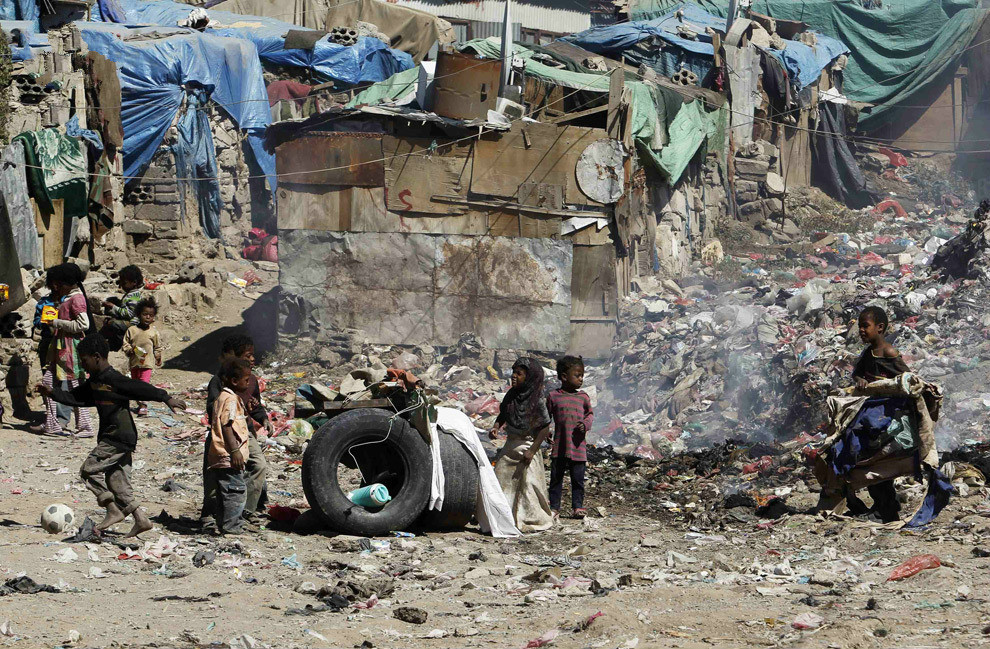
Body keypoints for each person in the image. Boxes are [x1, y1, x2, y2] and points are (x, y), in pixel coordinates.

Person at [36, 334, 186, 537]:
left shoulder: (112, 379)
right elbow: (75, 398)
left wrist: (165, 397)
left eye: (85, 360)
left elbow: (139, 388)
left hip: (117, 436)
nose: (83, 365)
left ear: (97, 356)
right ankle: (141, 520)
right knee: (117, 481)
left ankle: (112, 510)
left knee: (88, 470)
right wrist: (52, 393)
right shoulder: (95, 382)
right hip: (117, 436)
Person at [201, 335, 270, 531]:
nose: (253, 359)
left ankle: (245, 511)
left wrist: (263, 418)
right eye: (249, 355)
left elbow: (256, 406)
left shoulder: (251, 380)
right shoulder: (220, 383)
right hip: (224, 433)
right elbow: (217, 413)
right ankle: (211, 514)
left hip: (245, 431)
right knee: (215, 474)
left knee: (258, 466)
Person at [490, 357, 554, 532]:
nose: (514, 376)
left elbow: (544, 427)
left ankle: (531, 519)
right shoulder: (512, 395)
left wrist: (532, 451)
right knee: (501, 480)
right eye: (514, 372)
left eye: (519, 374)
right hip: (511, 445)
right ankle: (502, 517)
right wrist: (496, 427)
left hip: (527, 446)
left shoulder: (536, 399)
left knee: (529, 486)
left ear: (530, 377)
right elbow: (503, 413)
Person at [30, 263, 94, 438]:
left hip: (70, 349)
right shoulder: (68, 298)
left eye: (57, 285)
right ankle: (53, 424)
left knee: (74, 385)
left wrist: (56, 323)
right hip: (60, 349)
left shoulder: (77, 299)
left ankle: (85, 427)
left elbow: (83, 325)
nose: (55, 289)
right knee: (49, 383)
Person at [207, 357, 252, 535]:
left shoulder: (223, 397)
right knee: (236, 492)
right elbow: (227, 426)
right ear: (234, 381)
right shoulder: (230, 399)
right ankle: (232, 527)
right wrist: (235, 451)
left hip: (220, 454)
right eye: (246, 380)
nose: (249, 384)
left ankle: (223, 524)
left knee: (224, 492)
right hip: (228, 455)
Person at [546, 355, 594, 520]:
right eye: (577, 375)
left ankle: (578, 506)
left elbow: (590, 415)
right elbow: (546, 417)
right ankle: (554, 507)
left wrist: (585, 425)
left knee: (578, 480)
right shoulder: (553, 397)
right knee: (556, 479)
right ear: (564, 377)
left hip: (578, 447)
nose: (581, 379)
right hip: (560, 445)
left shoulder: (583, 397)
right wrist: (546, 431)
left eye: (582, 375)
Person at [121, 298, 162, 416]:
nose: (148, 317)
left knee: (144, 384)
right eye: (145, 314)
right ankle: (139, 404)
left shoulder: (153, 332)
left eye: (151, 315)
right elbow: (125, 343)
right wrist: (130, 350)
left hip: (147, 363)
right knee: (135, 384)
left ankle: (144, 406)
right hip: (134, 362)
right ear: (139, 315)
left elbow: (157, 346)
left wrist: (158, 357)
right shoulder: (132, 330)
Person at [100, 265, 144, 352]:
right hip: (128, 322)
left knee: (113, 324)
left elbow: (130, 314)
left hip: (133, 324)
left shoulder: (134, 296)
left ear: (134, 282)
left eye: (124, 283)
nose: (121, 286)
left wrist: (113, 306)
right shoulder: (129, 294)